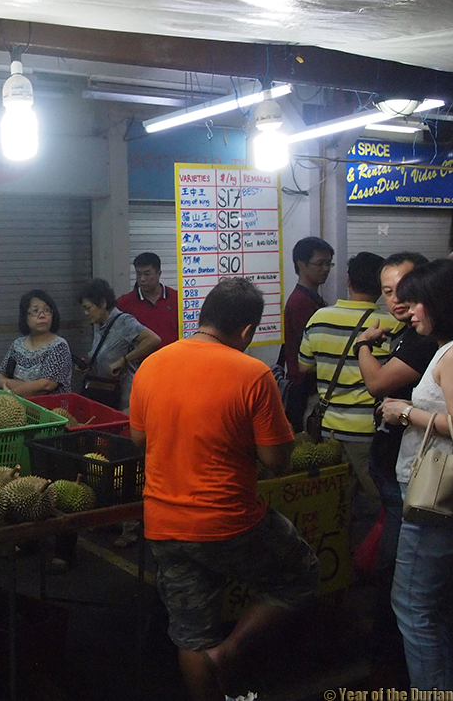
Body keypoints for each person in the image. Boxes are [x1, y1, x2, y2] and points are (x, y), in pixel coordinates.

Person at [128, 278, 320, 701]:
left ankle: (213, 670)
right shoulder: (252, 373)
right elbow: (275, 461)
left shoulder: (152, 365)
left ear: (202, 315)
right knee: (301, 576)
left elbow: (140, 442)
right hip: (229, 521)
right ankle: (231, 650)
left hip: (162, 523)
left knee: (191, 636)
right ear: (248, 331)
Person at [353, 252, 435, 679]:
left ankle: (394, 666)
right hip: (395, 472)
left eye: (406, 290)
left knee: (403, 582)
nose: (399, 301)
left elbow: (377, 384)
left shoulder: (429, 340)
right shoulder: (411, 334)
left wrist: (365, 343)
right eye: (388, 292)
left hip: (418, 483)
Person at [379, 259, 453, 691]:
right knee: (434, 605)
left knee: (411, 604)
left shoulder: (450, 353)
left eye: (419, 302)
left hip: (434, 495)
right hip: (428, 487)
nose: (411, 310)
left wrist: (405, 411)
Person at [298, 251, 398, 530]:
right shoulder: (392, 324)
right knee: (374, 507)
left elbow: (304, 366)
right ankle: (366, 563)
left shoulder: (319, 317)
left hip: (326, 428)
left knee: (331, 504)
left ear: (348, 280)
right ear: (381, 286)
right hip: (368, 431)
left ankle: (337, 564)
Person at [78, 278, 161, 411]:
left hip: (123, 397)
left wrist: (124, 360)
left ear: (103, 303)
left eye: (88, 308)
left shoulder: (124, 322)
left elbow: (154, 339)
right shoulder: (98, 324)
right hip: (102, 393)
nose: (86, 313)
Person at [280, 237, 334, 429]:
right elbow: (315, 352)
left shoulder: (313, 298)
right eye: (320, 263)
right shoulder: (301, 303)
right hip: (305, 389)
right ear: (301, 264)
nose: (326, 269)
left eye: (329, 263)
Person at [0, 290, 72, 397]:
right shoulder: (17, 345)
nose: (42, 315)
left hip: (50, 409)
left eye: (47, 310)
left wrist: (10, 393)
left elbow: (46, 385)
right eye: (35, 311)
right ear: (25, 316)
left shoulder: (59, 346)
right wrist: (29, 387)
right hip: (18, 409)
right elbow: (1, 376)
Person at [116, 252, 178, 347]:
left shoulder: (177, 299)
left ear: (159, 274)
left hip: (172, 358)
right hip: (142, 361)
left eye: (147, 274)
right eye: (138, 274)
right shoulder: (124, 303)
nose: (142, 279)